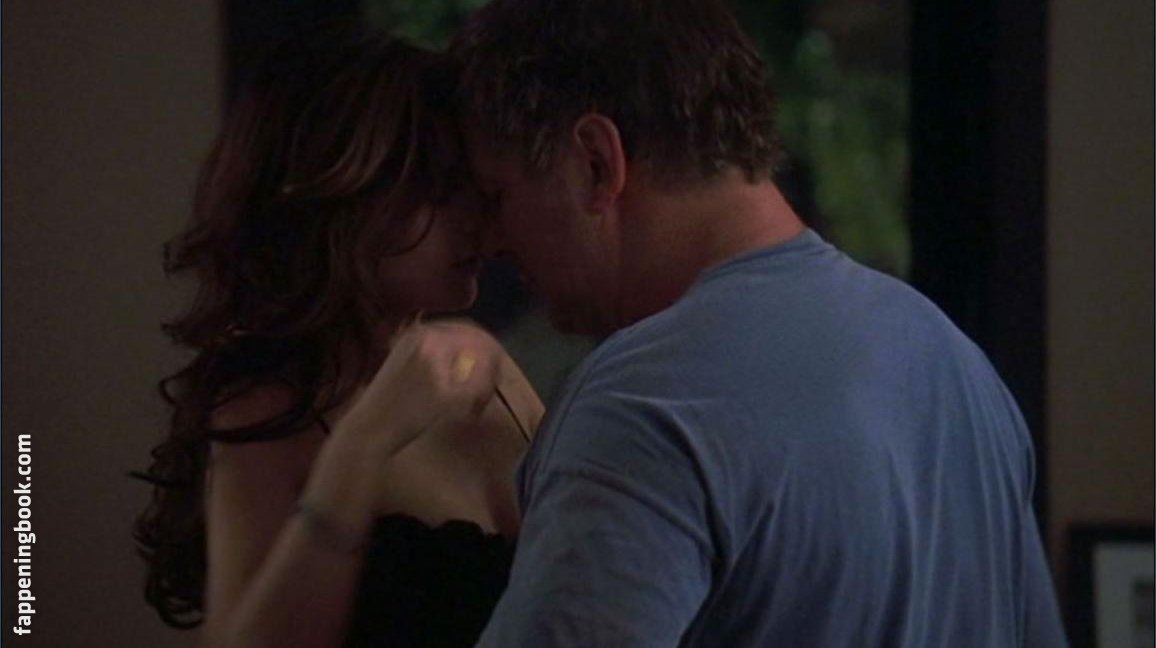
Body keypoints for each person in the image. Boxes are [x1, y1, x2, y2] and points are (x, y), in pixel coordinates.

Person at [367, 0, 1069, 644]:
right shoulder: (954, 364)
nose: (492, 239)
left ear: (596, 162)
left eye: (498, 195)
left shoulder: (646, 403)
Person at [131, 27, 543, 648]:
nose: (473, 219)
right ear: (338, 191)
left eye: (472, 186)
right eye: (435, 187)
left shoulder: (492, 372)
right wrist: (364, 444)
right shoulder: (264, 417)